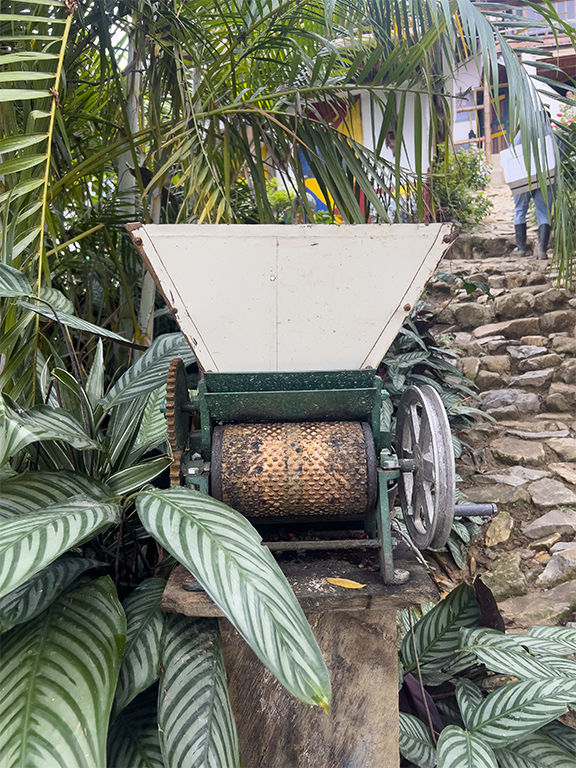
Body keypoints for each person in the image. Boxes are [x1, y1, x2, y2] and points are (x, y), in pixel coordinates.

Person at [512, 120, 554, 260]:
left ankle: (521, 248)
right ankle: (542, 250)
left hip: (523, 177)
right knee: (544, 211)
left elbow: (512, 154)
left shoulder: (522, 133)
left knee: (520, 210)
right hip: (546, 175)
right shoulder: (551, 133)